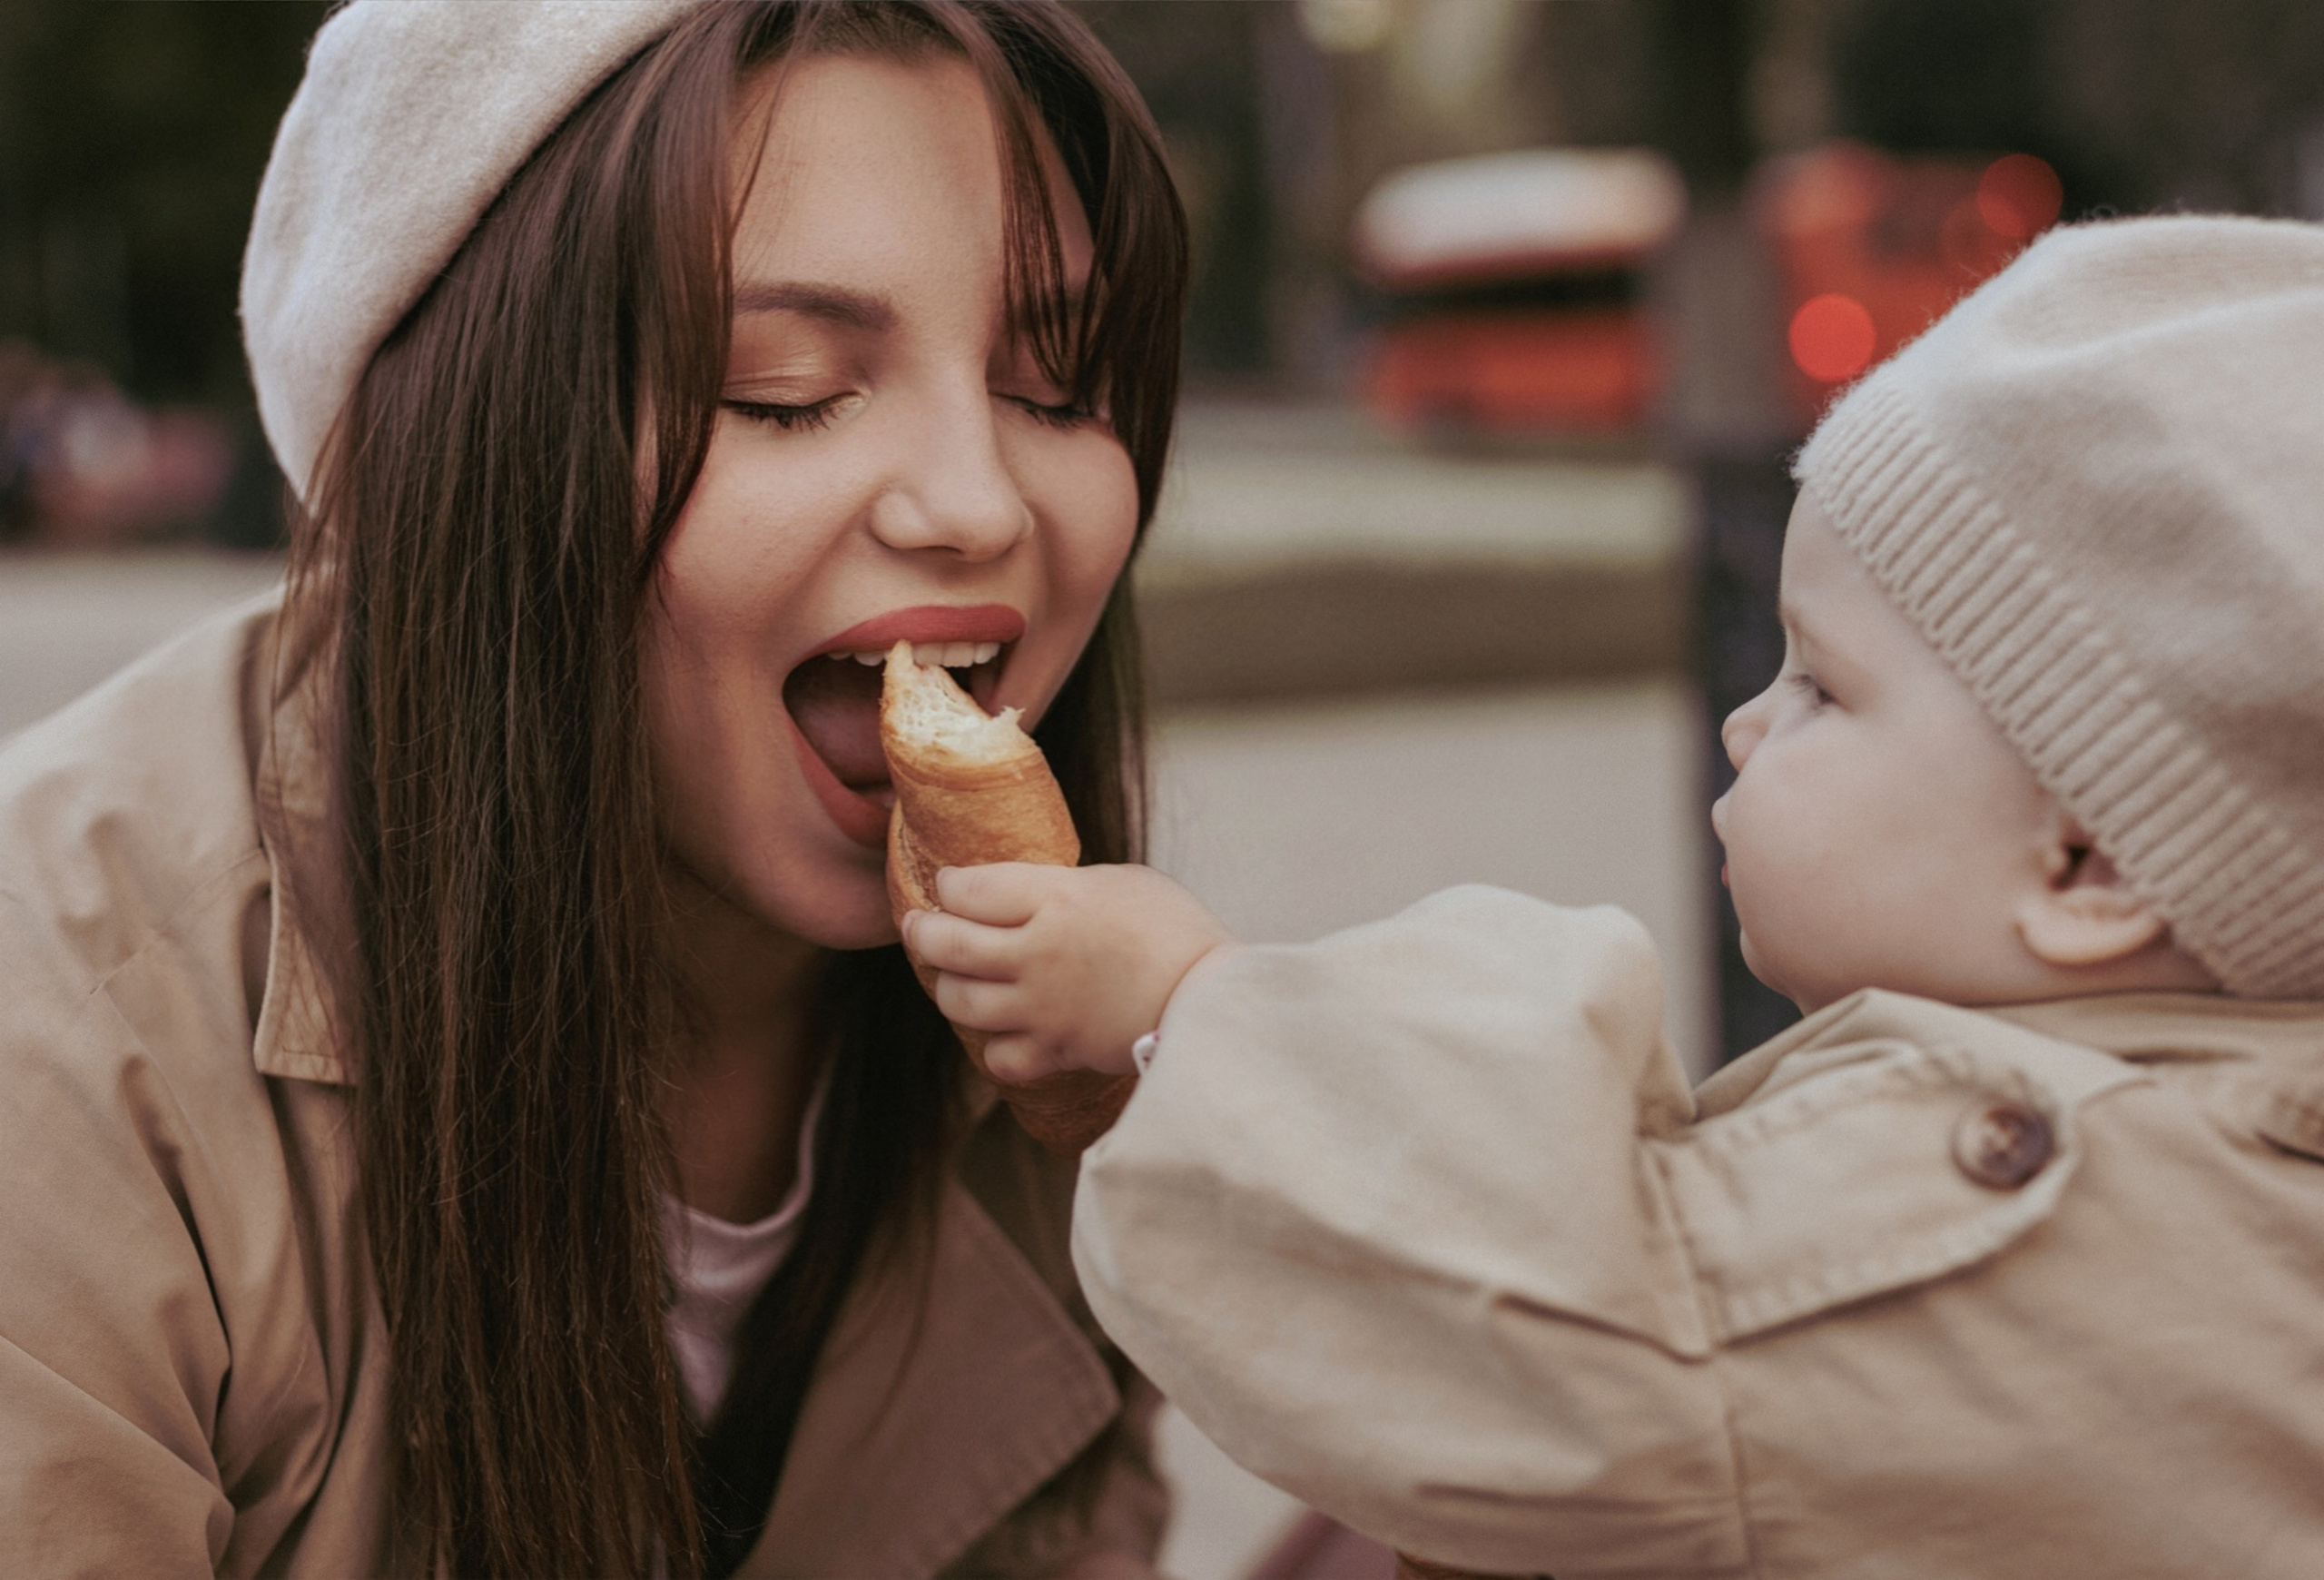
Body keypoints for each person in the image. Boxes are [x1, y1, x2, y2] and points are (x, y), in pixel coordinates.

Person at [905, 215, 2324, 1576]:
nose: (1744, 725)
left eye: (1824, 685)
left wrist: (1194, 1007)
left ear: (2089, 866)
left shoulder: (2019, 1206)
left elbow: (1537, 1347)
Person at [0, 3, 1187, 1575]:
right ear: (460, 450)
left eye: (1057, 388)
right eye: (780, 388)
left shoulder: (1084, 1045)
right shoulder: (62, 1055)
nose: (978, 504)